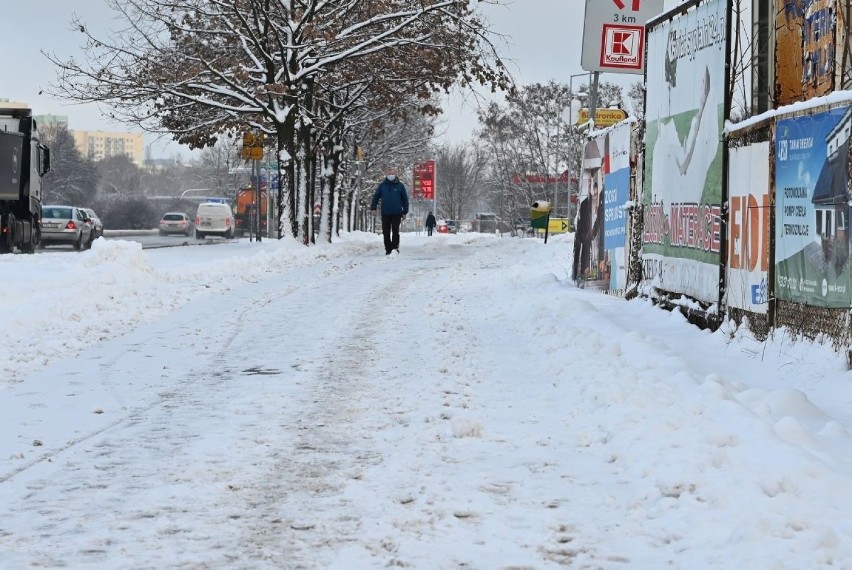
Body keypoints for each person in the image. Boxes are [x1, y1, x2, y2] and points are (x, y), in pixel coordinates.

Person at [370, 167, 409, 254]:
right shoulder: (382, 186)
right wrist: (373, 208)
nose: (391, 175)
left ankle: (395, 248)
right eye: (389, 173)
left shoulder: (400, 186)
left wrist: (405, 212)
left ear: (396, 174)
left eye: (393, 173)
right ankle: (388, 249)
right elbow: (376, 197)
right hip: (385, 212)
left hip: (397, 213)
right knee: (386, 232)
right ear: (386, 175)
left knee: (395, 231)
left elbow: (405, 199)